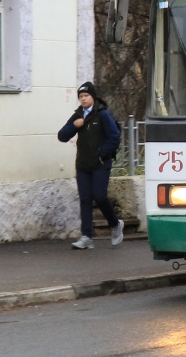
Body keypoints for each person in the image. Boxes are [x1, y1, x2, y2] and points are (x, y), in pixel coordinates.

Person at [58, 82, 123, 249]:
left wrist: (102, 154)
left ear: (93, 97)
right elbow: (62, 136)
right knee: (85, 199)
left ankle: (115, 225)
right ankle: (86, 236)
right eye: (80, 97)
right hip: (83, 164)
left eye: (86, 96)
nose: (83, 99)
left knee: (100, 196)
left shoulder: (102, 115)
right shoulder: (78, 116)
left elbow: (114, 136)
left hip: (101, 163)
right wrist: (74, 125)